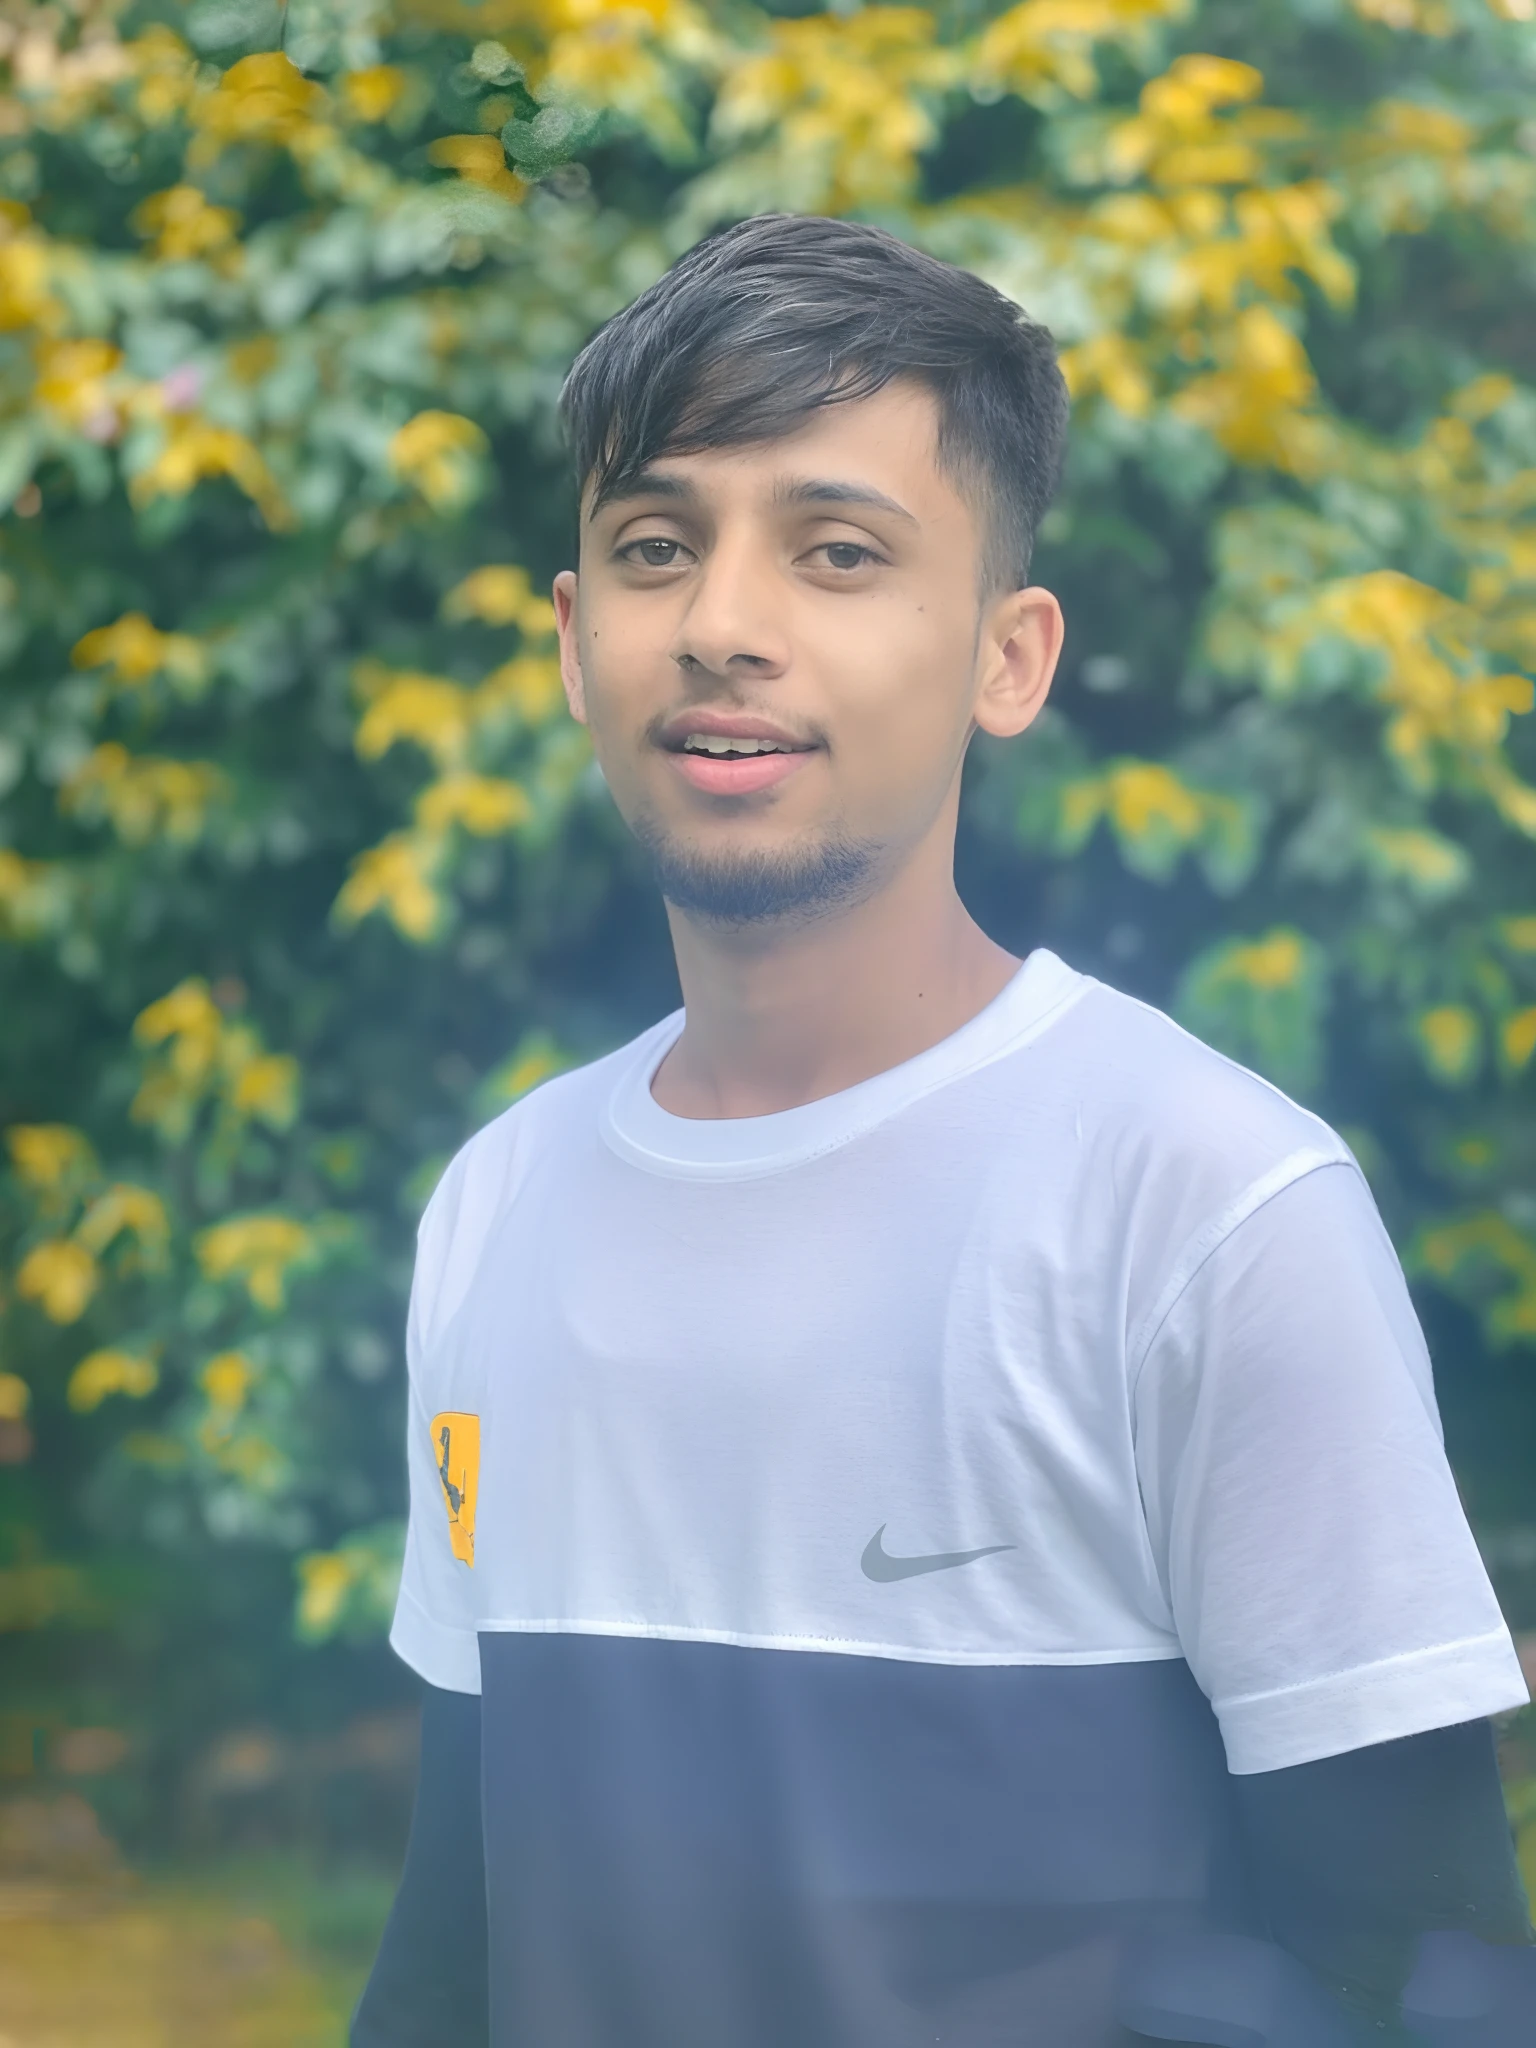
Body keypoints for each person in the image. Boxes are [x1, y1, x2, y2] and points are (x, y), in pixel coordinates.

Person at [351, 214, 1533, 2048]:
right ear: (577, 642)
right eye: (657, 547)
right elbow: (453, 1941)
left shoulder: (1207, 1210)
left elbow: (1427, 1985)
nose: (723, 626)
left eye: (838, 552)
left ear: (1009, 656)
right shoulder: (497, 1204)